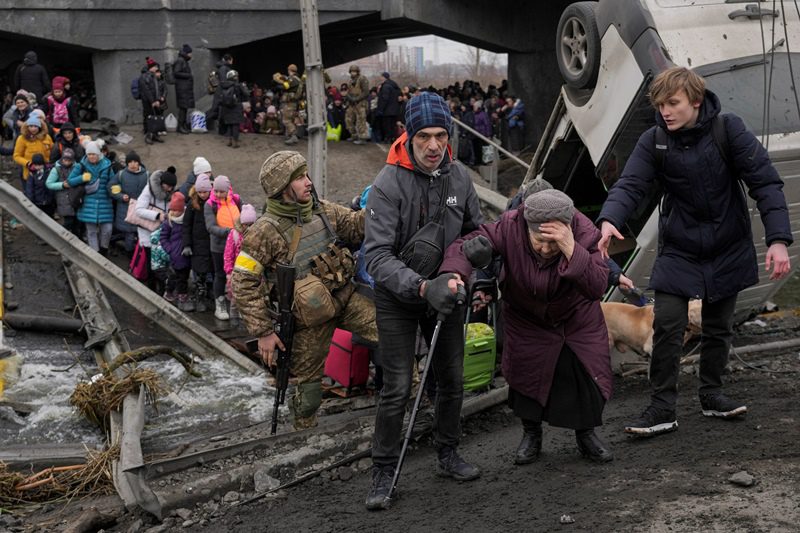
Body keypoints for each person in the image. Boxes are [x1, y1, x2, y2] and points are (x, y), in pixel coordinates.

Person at [596, 67, 792, 437]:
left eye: (673, 103)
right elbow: (631, 183)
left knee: (718, 326)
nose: (665, 111)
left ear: (696, 101)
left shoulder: (728, 130)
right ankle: (661, 407)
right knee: (667, 323)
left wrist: (778, 239)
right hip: (680, 248)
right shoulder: (654, 140)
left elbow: (765, 182)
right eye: (660, 105)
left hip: (727, 244)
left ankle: (712, 394)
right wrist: (609, 219)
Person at [362, 92, 484, 510]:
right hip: (398, 297)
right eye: (424, 137)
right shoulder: (387, 184)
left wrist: (471, 264)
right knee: (396, 387)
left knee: (452, 379)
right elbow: (375, 257)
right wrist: (420, 287)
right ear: (408, 136)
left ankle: (447, 453)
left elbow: (475, 231)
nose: (434, 146)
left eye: (441, 135)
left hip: (447, 292)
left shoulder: (461, 177)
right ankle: (382, 469)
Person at [443, 189, 614, 465]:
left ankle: (586, 434)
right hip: (526, 317)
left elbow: (597, 286)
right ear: (527, 228)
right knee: (526, 378)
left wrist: (571, 248)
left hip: (574, 319)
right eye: (539, 242)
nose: (546, 250)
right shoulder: (510, 226)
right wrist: (455, 272)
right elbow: (465, 245)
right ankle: (531, 434)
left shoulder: (584, 232)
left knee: (583, 377)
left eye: (553, 244)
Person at [231, 151, 377, 430]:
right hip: (309, 321)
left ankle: (410, 402)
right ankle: (303, 435)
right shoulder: (264, 231)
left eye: (306, 175)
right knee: (308, 393)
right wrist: (263, 332)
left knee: (394, 333)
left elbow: (357, 226)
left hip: (346, 299)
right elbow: (243, 282)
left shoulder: (323, 210)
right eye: (299, 178)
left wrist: (383, 202)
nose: (308, 182)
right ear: (282, 188)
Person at [67, 141, 115, 254]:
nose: (91, 157)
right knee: (91, 231)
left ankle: (103, 250)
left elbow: (113, 182)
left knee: (107, 229)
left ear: (99, 154)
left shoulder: (107, 166)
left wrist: (115, 188)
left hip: (105, 202)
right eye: (89, 154)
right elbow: (70, 181)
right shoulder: (81, 166)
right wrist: (82, 178)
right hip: (88, 203)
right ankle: (95, 253)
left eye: (94, 154)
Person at [204, 175, 241, 319]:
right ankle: (220, 305)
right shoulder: (210, 205)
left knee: (238, 275)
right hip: (219, 247)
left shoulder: (236, 200)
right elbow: (210, 226)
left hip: (237, 246)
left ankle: (237, 305)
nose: (218, 194)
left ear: (228, 190)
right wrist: (230, 232)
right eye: (216, 191)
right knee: (220, 274)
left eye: (222, 191)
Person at [135, 166, 177, 290]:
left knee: (161, 263)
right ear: (161, 183)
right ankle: (152, 289)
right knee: (151, 263)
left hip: (162, 234)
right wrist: (158, 215)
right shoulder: (149, 190)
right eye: (167, 186)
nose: (169, 189)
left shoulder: (170, 193)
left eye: (171, 187)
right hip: (148, 232)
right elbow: (138, 210)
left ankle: (162, 289)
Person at [183, 173, 214, 312]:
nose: (202, 194)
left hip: (211, 242)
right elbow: (187, 225)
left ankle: (211, 294)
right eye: (200, 192)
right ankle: (200, 297)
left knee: (212, 271)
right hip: (197, 244)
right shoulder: (192, 205)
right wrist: (187, 244)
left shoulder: (214, 203)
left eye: (205, 192)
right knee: (200, 273)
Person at [108, 151, 149, 255]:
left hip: (141, 209)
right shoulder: (121, 174)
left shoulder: (147, 175)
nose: (133, 164)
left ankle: (137, 254)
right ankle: (131, 254)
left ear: (139, 163)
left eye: (135, 162)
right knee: (129, 233)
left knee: (139, 233)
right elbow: (110, 187)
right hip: (125, 209)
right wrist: (121, 196)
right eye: (130, 162)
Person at [223, 203, 257, 321]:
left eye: (251, 224)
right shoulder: (235, 234)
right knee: (235, 294)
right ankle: (234, 311)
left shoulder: (257, 235)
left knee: (249, 294)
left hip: (252, 270)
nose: (248, 227)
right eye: (246, 224)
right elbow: (228, 254)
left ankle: (245, 313)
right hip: (236, 271)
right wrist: (228, 271)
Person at [160, 192, 193, 310]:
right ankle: (174, 294)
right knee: (176, 276)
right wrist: (170, 250)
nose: (173, 212)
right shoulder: (168, 222)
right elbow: (163, 238)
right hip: (175, 255)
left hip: (185, 254)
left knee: (183, 276)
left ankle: (179, 295)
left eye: (176, 210)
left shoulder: (187, 220)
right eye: (171, 210)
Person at [46, 147, 81, 236]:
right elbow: (49, 184)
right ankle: (59, 237)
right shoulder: (56, 169)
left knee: (77, 223)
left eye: (69, 160)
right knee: (68, 222)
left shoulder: (77, 168)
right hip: (63, 199)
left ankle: (77, 240)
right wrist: (62, 185)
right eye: (65, 159)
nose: (67, 162)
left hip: (75, 199)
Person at [13, 115, 53, 182]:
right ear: (27, 127)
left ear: (39, 127)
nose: (33, 129)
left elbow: (53, 152)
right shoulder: (22, 139)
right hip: (30, 174)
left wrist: (50, 163)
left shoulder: (47, 137)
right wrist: (28, 164)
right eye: (31, 126)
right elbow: (16, 156)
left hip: (46, 173)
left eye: (35, 126)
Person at [139, 57, 166, 145]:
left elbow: (157, 89)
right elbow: (147, 91)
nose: (157, 68)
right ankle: (148, 136)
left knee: (156, 118)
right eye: (155, 67)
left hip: (155, 101)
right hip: (147, 102)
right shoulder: (144, 77)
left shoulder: (153, 76)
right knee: (149, 118)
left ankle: (155, 135)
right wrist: (152, 101)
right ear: (152, 67)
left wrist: (158, 100)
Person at [273, 64, 302, 145]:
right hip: (294, 103)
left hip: (290, 103)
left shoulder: (293, 79)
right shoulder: (298, 79)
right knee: (291, 120)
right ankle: (289, 136)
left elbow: (285, 86)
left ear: (289, 70)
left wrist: (278, 83)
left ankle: (293, 136)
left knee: (286, 120)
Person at [219, 70, 247, 148]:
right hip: (236, 106)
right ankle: (235, 142)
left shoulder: (224, 85)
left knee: (229, 124)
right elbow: (246, 94)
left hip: (226, 107)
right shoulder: (238, 85)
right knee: (235, 125)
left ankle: (229, 141)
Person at [24, 153, 55, 217]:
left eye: (40, 165)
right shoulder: (32, 174)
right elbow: (29, 189)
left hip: (49, 202)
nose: (37, 167)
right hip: (38, 202)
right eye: (35, 165)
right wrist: (31, 201)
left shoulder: (49, 171)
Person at [345, 65, 370, 145]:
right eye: (352, 71)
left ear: (357, 71)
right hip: (351, 103)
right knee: (348, 119)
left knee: (361, 120)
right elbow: (348, 92)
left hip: (360, 103)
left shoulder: (362, 79)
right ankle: (354, 135)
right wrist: (349, 98)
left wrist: (356, 99)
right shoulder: (350, 81)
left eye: (354, 71)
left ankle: (362, 137)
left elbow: (366, 92)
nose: (353, 73)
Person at [172, 44, 194, 134]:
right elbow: (176, 73)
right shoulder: (180, 61)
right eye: (190, 53)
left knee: (185, 108)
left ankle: (183, 126)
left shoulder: (184, 61)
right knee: (182, 108)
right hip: (182, 89)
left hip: (185, 88)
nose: (191, 55)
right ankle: (180, 127)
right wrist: (188, 75)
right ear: (186, 53)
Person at [376, 72, 401, 144]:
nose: (380, 78)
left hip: (387, 110)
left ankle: (388, 139)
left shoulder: (385, 86)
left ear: (384, 77)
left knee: (387, 125)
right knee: (393, 125)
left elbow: (384, 98)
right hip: (395, 110)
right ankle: (393, 138)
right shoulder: (394, 85)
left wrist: (380, 109)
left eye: (381, 77)